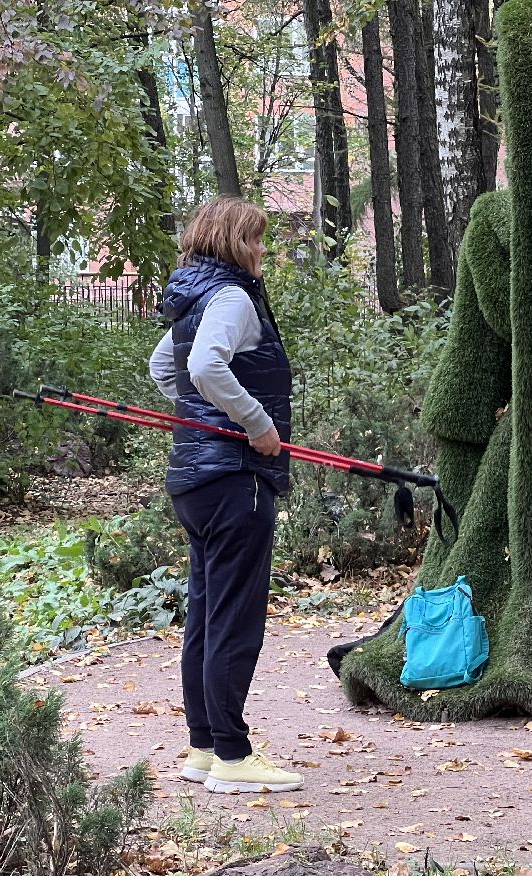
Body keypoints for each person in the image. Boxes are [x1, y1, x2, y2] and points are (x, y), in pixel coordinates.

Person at [148, 197, 305, 793]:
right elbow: (206, 368)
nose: (264, 250)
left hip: (195, 481)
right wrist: (255, 423)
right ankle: (234, 757)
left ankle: (204, 750)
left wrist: (199, 418)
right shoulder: (233, 298)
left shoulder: (194, 296)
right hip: (236, 479)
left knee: (206, 616)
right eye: (258, 240)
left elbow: (165, 370)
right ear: (236, 243)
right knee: (234, 620)